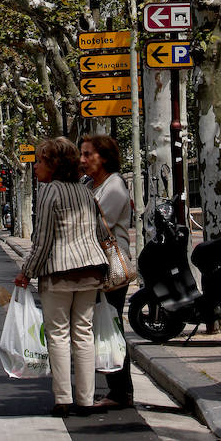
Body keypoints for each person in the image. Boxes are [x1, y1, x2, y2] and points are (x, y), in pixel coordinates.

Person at [14, 137, 108, 418]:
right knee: (83, 333)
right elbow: (101, 233)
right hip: (91, 270)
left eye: (41, 161)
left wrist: (26, 272)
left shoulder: (49, 192)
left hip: (59, 272)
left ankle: (63, 399)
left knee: (58, 334)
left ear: (54, 165)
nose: (35, 167)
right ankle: (86, 399)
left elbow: (42, 242)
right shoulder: (85, 192)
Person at [80, 134, 134, 410]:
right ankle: (115, 387)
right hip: (94, 264)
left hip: (111, 265)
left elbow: (95, 225)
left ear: (104, 157)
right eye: (82, 154)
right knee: (101, 325)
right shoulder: (89, 183)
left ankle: (121, 391)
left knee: (111, 325)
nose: (83, 160)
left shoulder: (114, 187)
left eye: (89, 154)